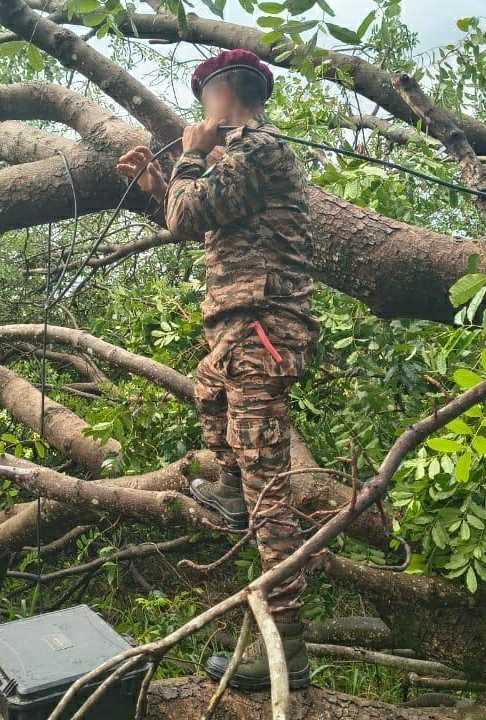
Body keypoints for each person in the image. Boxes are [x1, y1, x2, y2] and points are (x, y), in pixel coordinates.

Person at [116, 48, 320, 691]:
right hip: (236, 330)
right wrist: (160, 184)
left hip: (263, 330)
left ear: (223, 94)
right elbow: (192, 217)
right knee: (209, 401)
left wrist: (188, 155)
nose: (199, 114)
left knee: (270, 491)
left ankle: (286, 642)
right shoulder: (237, 161)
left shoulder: (258, 149)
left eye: (204, 100)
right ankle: (231, 486)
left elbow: (190, 211)